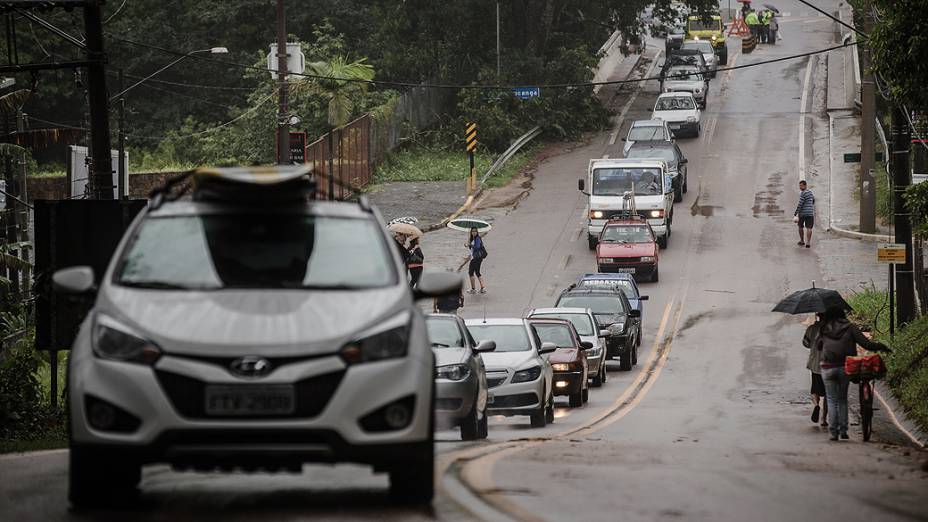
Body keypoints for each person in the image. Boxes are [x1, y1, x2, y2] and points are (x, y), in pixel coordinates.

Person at [815, 306, 890, 441]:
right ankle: (843, 430)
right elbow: (866, 344)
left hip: (827, 367)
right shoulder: (851, 327)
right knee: (842, 399)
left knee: (831, 399)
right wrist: (881, 346)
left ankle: (833, 432)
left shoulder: (824, 328)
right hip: (846, 367)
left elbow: (818, 346)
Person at [803, 313, 827, 427]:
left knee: (814, 389)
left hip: (815, 363)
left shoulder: (812, 328)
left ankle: (816, 404)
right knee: (828, 394)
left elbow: (806, 343)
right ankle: (823, 419)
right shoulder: (831, 329)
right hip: (829, 364)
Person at [794, 180, 815, 248]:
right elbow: (813, 200)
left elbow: (800, 204)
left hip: (803, 213)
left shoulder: (803, 193)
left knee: (800, 226)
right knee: (809, 228)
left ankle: (802, 241)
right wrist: (810, 206)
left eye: (801, 185)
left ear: (805, 185)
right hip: (810, 213)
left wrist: (796, 212)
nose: (800, 187)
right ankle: (808, 242)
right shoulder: (810, 192)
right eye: (799, 186)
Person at [465, 227, 487, 294]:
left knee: (471, 272)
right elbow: (471, 249)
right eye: (472, 231)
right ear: (471, 232)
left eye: (475, 231)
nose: (474, 232)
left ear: (477, 232)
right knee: (477, 272)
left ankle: (473, 289)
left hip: (476, 258)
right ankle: (483, 288)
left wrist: (470, 245)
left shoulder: (477, 238)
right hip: (476, 258)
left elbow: (477, 247)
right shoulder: (473, 239)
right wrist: (468, 245)